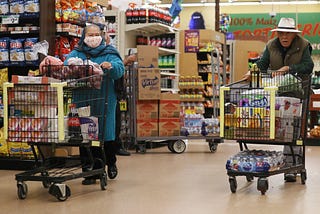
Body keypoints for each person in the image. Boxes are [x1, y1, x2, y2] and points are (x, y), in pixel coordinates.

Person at [246, 17, 314, 182]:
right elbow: (263, 64)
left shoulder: (304, 45)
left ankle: (291, 166)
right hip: (278, 93)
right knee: (282, 129)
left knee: (293, 130)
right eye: (281, 33)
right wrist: (252, 71)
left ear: (293, 35)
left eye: (287, 33)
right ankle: (288, 162)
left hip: (298, 93)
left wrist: (289, 68)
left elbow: (308, 66)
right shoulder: (271, 45)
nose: (284, 36)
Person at [64, 24, 125, 185]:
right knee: (85, 134)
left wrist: (110, 66)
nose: (93, 37)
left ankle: (110, 162)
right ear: (84, 37)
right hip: (83, 98)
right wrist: (71, 65)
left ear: (102, 35)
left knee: (107, 133)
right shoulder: (77, 52)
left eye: (96, 34)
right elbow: (65, 65)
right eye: (90, 35)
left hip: (105, 98)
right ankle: (90, 171)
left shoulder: (109, 52)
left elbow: (120, 69)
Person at [105, 32, 136, 156]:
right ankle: (114, 147)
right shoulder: (103, 53)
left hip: (116, 91)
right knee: (113, 121)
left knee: (116, 120)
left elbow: (117, 67)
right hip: (109, 92)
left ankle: (115, 146)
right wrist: (126, 60)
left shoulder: (111, 53)